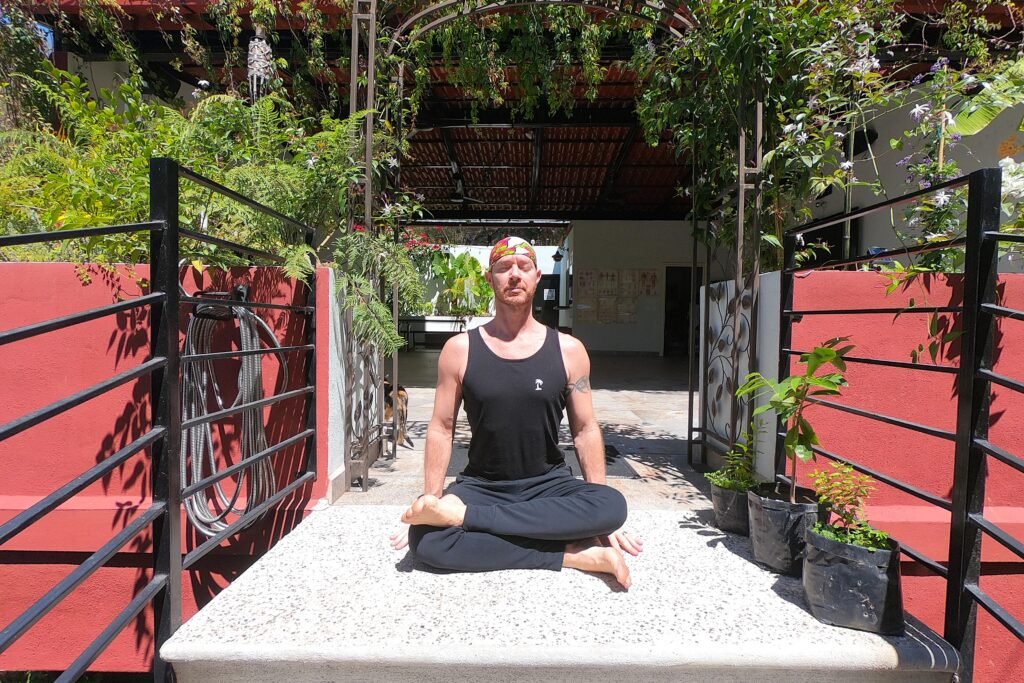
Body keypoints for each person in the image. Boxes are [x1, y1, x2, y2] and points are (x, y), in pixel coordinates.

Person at [391, 236, 643, 589]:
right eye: (503, 267)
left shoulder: (570, 351)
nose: (514, 275)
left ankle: (471, 519)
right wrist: (431, 501)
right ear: (489, 276)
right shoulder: (459, 350)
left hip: (548, 484)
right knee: (427, 542)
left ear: (537, 276)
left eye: (523, 267)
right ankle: (573, 556)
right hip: (483, 485)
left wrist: (596, 525)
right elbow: (441, 427)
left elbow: (585, 429)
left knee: (611, 506)